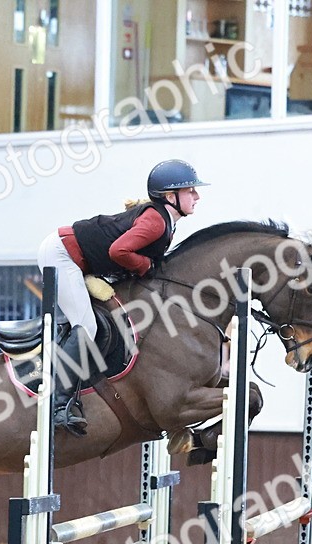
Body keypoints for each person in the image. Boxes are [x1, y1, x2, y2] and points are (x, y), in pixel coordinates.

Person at [36, 159, 208, 436]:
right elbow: (119, 251)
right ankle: (56, 403)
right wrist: (146, 267)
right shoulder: (155, 222)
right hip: (62, 256)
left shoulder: (165, 221)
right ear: (170, 196)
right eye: (191, 191)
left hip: (78, 258)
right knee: (87, 326)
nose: (197, 196)